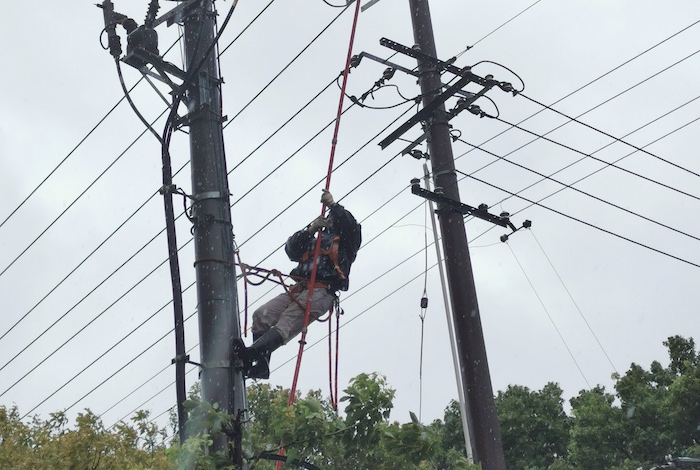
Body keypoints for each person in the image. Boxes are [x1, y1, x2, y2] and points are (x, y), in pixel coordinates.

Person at [237, 189, 361, 379]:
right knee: (262, 315)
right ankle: (261, 364)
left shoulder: (347, 242)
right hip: (299, 288)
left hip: (321, 291)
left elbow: (350, 225)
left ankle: (251, 353)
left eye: (332, 218)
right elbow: (291, 250)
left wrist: (334, 206)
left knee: (286, 323)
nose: (330, 220)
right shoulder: (315, 240)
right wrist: (309, 230)